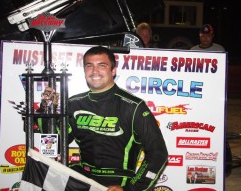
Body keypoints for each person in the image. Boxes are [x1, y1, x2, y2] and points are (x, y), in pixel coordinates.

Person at [67, 46, 168, 190]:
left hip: (119, 184)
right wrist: (47, 110)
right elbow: (56, 139)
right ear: (84, 71)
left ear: (113, 70)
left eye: (102, 65)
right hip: (84, 183)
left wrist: (131, 189)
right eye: (89, 66)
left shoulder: (134, 106)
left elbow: (158, 153)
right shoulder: (73, 103)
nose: (95, 71)